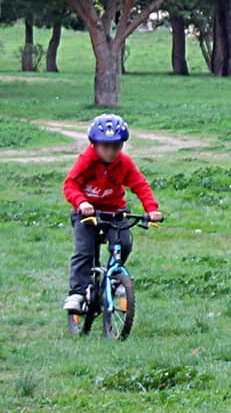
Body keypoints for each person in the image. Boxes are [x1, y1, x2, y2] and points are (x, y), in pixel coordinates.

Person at [62, 113, 161, 312]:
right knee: (84, 252)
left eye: (116, 146)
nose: (111, 151)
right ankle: (77, 293)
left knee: (124, 243)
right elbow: (70, 184)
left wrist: (152, 210)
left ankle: (115, 280)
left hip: (115, 212)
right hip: (87, 213)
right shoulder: (87, 160)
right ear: (94, 145)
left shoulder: (124, 163)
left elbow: (140, 185)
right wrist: (81, 202)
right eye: (105, 146)